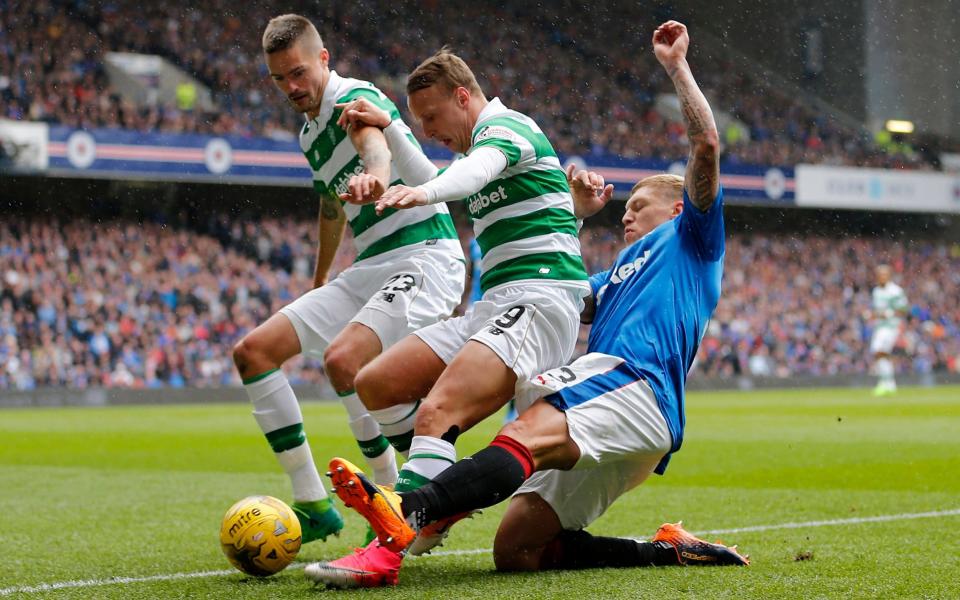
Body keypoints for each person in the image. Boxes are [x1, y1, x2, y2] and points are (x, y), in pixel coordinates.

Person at [315, 21, 748, 587]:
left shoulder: (692, 238)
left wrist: (677, 68)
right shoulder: (616, 273)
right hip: (589, 378)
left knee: (502, 430)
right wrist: (570, 211)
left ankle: (412, 513)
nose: (627, 214)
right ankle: (666, 550)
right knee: (517, 547)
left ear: (675, 210)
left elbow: (706, 146)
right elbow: (566, 287)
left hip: (637, 386)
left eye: (638, 204)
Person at [305, 47, 590, 587]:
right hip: (495, 306)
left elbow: (464, 176)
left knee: (437, 413)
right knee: (375, 383)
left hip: (540, 303)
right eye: (420, 122)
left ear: (464, 96)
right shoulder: (476, 146)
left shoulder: (510, 128)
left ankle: (397, 539)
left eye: (432, 117)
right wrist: (391, 128)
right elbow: (444, 171)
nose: (429, 130)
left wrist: (421, 193)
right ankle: (438, 496)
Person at [231, 14, 465, 546]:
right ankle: (315, 505)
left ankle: (418, 497)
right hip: (372, 264)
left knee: (344, 361)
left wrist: (377, 177)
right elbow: (332, 208)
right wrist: (318, 280)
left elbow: (373, 145)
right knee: (253, 352)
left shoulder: (350, 98)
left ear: (323, 59)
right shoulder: (308, 131)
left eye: (297, 73)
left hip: (424, 255)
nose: (291, 87)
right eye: (278, 79)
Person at [869, 264, 908, 395]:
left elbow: (903, 309)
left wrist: (888, 314)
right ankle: (888, 383)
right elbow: (877, 311)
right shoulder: (876, 291)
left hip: (891, 326)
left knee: (878, 350)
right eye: (879, 275)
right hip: (880, 327)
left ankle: (886, 382)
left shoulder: (895, 291)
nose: (881, 277)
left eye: (884, 274)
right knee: (881, 354)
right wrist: (872, 315)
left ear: (889, 275)